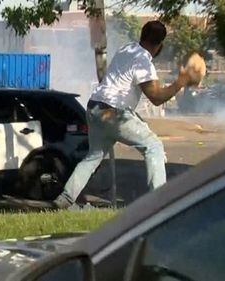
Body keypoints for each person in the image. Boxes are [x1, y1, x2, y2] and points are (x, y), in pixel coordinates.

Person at [53, 20, 191, 209]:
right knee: (154, 147)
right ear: (160, 45)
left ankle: (64, 199)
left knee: (93, 156)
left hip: (94, 107)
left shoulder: (127, 50)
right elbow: (156, 97)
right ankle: (160, 203)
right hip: (113, 112)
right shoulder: (143, 61)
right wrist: (181, 82)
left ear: (142, 35)